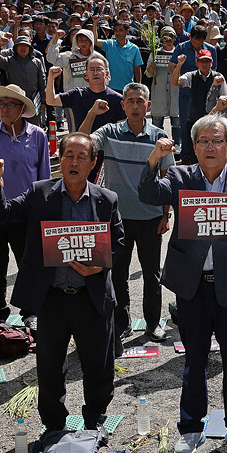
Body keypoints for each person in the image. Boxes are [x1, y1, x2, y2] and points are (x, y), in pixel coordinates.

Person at [137, 116, 227, 453]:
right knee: (194, 360)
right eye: (203, 141)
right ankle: (191, 428)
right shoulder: (180, 177)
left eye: (217, 141)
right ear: (194, 146)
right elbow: (147, 193)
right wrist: (155, 157)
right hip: (192, 287)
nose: (210, 148)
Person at [0, 133, 127, 433]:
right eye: (68, 155)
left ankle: (95, 422)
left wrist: (98, 266)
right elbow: (3, 215)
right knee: (49, 368)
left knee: (98, 367)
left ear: (92, 163)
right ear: (59, 159)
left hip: (92, 296)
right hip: (52, 298)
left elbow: (119, 243)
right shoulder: (39, 193)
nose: (74, 162)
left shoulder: (106, 199)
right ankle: (54, 426)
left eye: (81, 156)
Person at [84, 83, 172, 342]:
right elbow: (81, 142)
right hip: (117, 218)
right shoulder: (109, 132)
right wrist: (92, 113)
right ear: (122, 105)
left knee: (151, 273)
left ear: (148, 105)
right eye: (130, 101)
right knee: (118, 273)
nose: (135, 106)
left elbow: (166, 178)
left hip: (151, 217)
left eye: (139, 101)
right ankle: (122, 323)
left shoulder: (159, 137)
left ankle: (153, 323)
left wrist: (166, 215)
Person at [0, 84, 51, 323]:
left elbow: (43, 176)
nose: (3, 109)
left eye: (9, 104)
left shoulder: (37, 135)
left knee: (29, 261)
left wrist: (43, 210)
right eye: (1, 104)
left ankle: (31, 312)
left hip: (25, 211)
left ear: (21, 108)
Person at [46, 54, 125, 133]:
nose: (95, 73)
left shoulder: (117, 99)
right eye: (91, 69)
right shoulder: (77, 94)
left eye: (99, 69)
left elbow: (121, 132)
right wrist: (51, 78)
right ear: (86, 74)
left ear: (107, 73)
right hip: (82, 142)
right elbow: (51, 100)